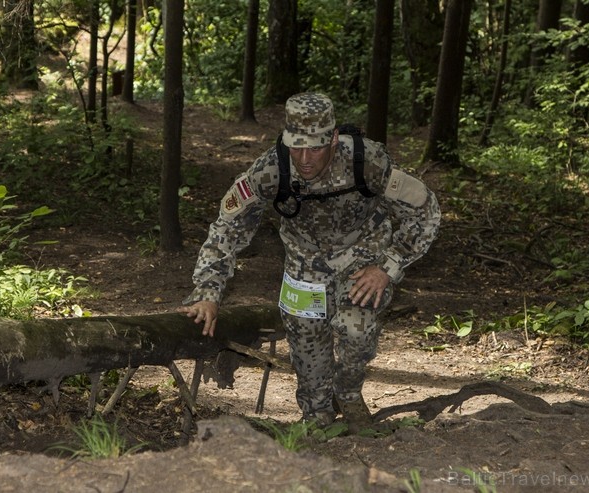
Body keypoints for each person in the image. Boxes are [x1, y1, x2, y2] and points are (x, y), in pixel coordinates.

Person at [178, 92, 440, 429]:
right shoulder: (271, 169)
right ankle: (317, 416)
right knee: (306, 342)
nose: (304, 159)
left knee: (354, 328)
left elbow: (426, 211)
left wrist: (388, 267)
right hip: (304, 265)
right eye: (295, 147)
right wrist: (208, 291)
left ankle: (347, 394)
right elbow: (228, 227)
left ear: (333, 138)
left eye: (315, 148)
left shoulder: (366, 161)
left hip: (362, 259)